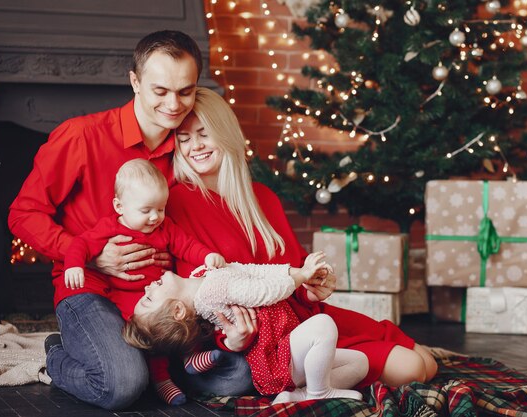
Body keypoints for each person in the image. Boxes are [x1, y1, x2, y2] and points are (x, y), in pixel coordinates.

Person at [7, 31, 253, 410]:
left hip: (161, 300)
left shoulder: (188, 150)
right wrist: (92, 256)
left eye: (185, 92)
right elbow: (23, 214)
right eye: (160, 91)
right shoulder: (81, 137)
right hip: (90, 290)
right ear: (135, 82)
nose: (173, 105)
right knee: (122, 385)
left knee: (237, 376)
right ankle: (57, 355)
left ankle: (144, 362)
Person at [167, 87, 438, 390]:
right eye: (184, 139)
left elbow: (294, 271)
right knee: (413, 369)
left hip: (305, 317)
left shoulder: (262, 197)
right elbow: (198, 293)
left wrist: (313, 288)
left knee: (428, 362)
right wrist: (230, 339)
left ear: (225, 132)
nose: (195, 146)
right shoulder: (178, 202)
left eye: (204, 134)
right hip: (271, 339)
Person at [124, 252, 368, 404]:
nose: (147, 289)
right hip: (278, 355)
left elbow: (252, 271)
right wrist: (301, 275)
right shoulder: (211, 293)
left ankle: (300, 395)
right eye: (149, 299)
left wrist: (289, 271)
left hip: (286, 348)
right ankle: (319, 393)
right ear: (177, 310)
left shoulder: (201, 277)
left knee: (360, 363)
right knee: (323, 325)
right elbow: (264, 291)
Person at [64, 158, 225, 302]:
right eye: (146, 211)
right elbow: (82, 243)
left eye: (161, 209)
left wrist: (207, 255)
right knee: (134, 330)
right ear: (119, 207)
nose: (155, 217)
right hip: (122, 295)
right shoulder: (110, 227)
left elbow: (187, 246)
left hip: (160, 294)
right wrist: (74, 265)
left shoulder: (165, 227)